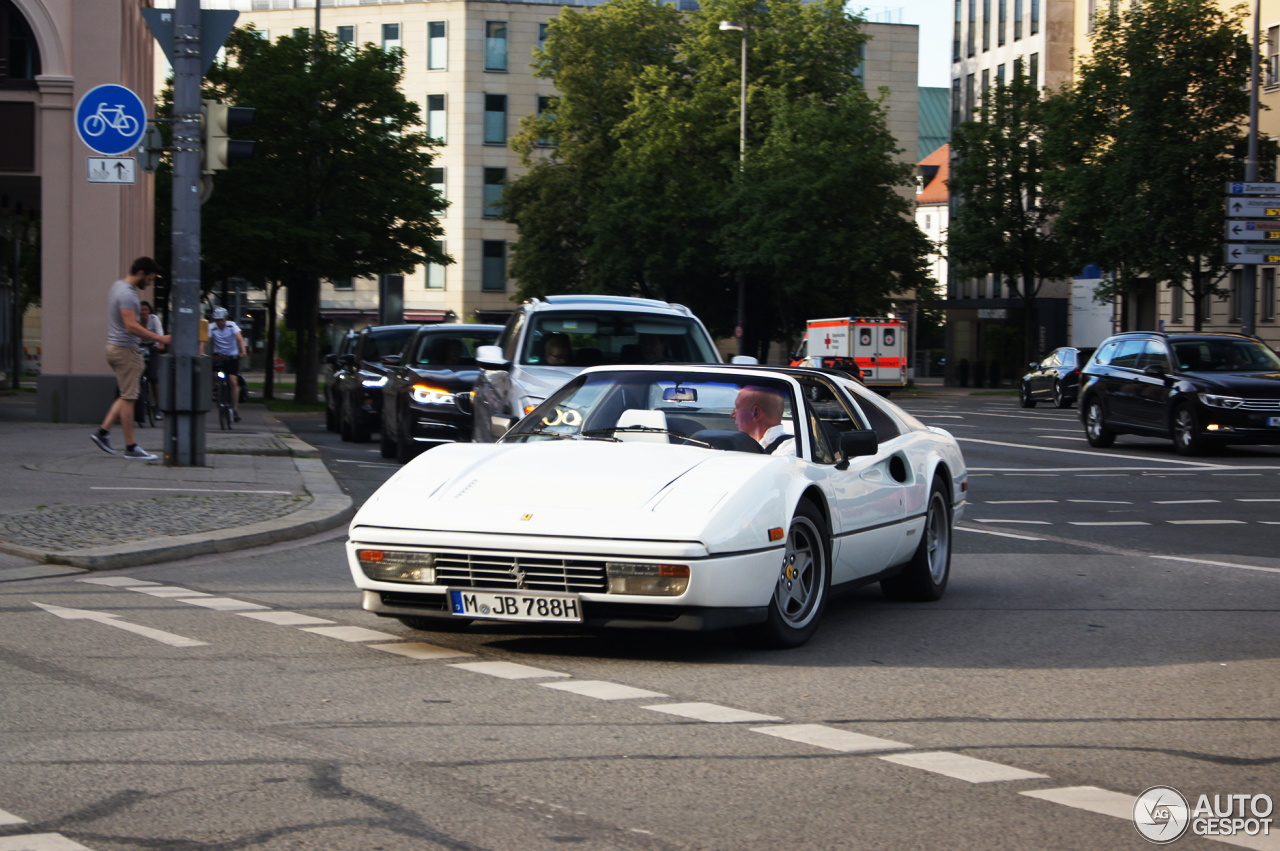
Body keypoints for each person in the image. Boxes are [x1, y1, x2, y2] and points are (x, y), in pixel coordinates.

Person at [90, 257, 172, 459]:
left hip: (115, 347)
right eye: (150, 279)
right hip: (125, 350)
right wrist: (160, 338)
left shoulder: (117, 286)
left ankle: (103, 432)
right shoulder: (128, 294)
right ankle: (131, 447)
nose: (150, 283)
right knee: (129, 398)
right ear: (141, 273)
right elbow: (131, 326)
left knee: (127, 393)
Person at [202, 307, 247, 422]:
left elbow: (240, 339)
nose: (219, 322)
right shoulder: (211, 327)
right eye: (217, 320)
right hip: (219, 356)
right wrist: (200, 353)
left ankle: (235, 410)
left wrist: (243, 351)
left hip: (232, 356)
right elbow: (204, 342)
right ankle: (215, 389)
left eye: (221, 320)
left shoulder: (232, 326)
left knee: (233, 381)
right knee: (212, 372)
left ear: (226, 319)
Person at [732, 385, 796, 455]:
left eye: (737, 407)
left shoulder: (789, 449)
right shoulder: (741, 445)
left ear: (756, 413)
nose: (732, 415)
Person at [139, 301, 165, 420]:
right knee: (138, 377)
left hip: (152, 347)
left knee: (153, 377)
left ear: (149, 311)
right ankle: (139, 407)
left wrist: (161, 344)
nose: (143, 312)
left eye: (145, 309)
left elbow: (159, 333)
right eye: (141, 310)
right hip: (138, 348)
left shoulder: (154, 319)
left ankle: (157, 406)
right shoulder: (135, 320)